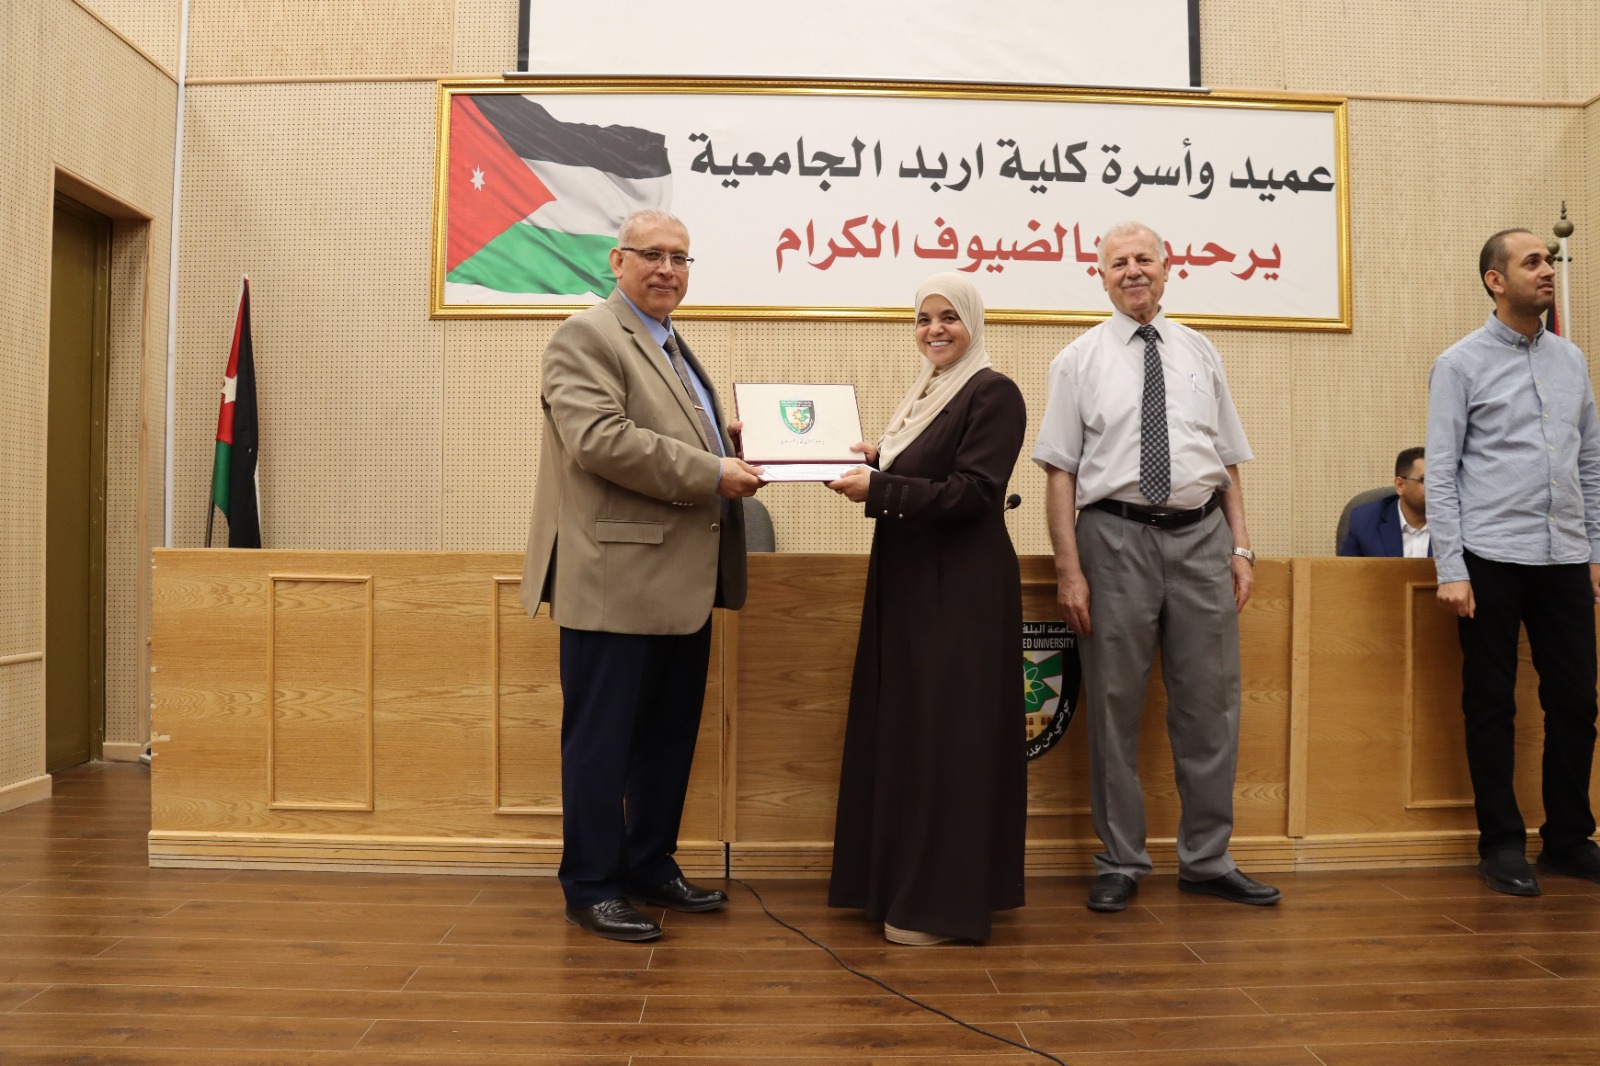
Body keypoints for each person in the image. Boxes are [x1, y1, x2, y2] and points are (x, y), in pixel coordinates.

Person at [521, 210, 766, 941]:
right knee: (602, 745)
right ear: (617, 261)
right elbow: (600, 439)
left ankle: (649, 865)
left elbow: (668, 436)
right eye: (652, 254)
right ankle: (592, 886)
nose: (667, 269)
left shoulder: (670, 343)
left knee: (666, 738)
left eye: (680, 258)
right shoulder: (587, 335)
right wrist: (712, 469)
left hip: (679, 585)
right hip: (614, 582)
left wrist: (730, 443)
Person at [1034, 221, 1280, 913]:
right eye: (1119, 263)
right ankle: (1120, 860)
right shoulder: (1077, 361)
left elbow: (1226, 460)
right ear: (1101, 277)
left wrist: (1240, 547)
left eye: (1145, 259)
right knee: (1113, 706)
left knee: (1211, 707)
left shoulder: (1200, 350)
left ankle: (1207, 859)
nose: (1133, 271)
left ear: (1169, 269)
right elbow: (1059, 473)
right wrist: (1069, 570)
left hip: (1202, 539)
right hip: (1113, 541)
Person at [825, 273, 1028, 945]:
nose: (934, 329)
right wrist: (876, 460)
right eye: (923, 318)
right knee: (908, 732)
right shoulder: (927, 393)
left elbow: (974, 492)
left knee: (948, 738)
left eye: (948, 317)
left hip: (960, 591)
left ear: (973, 322)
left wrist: (880, 487)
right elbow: (927, 467)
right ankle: (893, 887)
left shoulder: (993, 392)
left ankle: (940, 906)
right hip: (912, 583)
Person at [1427, 227, 1600, 897]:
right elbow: (1442, 472)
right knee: (1491, 705)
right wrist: (1451, 566)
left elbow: (1590, 461)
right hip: (1490, 556)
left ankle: (1568, 839)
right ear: (1495, 281)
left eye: (1549, 260)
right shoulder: (1459, 364)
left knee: (1576, 702)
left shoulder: (1572, 360)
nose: (1548, 270)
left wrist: (1594, 550)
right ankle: (1500, 843)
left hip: (1565, 556)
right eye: (1532, 262)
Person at [1338, 447, 1431, 557]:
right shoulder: (1364, 521)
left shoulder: (1450, 521)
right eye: (1425, 480)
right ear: (1400, 485)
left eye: (1441, 480)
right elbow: (1348, 567)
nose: (1436, 487)